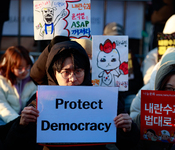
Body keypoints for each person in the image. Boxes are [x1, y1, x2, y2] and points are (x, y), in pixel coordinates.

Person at [2, 37, 140, 150]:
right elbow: (13, 147)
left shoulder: (104, 99)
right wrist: (21, 126)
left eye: (78, 71)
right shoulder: (41, 101)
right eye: (66, 72)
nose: (73, 79)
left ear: (86, 72)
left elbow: (130, 145)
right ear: (54, 73)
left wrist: (128, 129)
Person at [130, 47, 175, 150]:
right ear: (161, 87)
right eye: (169, 88)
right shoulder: (145, 96)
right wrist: (141, 120)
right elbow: (132, 140)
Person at [103, 22, 144, 113]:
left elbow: (139, 81)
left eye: (119, 38)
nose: (115, 42)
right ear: (103, 37)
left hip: (126, 96)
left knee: (137, 103)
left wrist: (124, 85)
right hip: (104, 96)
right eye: (112, 38)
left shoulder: (130, 56)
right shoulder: (97, 55)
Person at [0, 46, 37, 125]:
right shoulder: (1, 80)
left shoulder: (33, 79)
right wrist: (17, 121)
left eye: (27, 67)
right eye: (19, 68)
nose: (24, 71)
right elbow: (2, 106)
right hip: (6, 121)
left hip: (25, 122)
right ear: (10, 67)